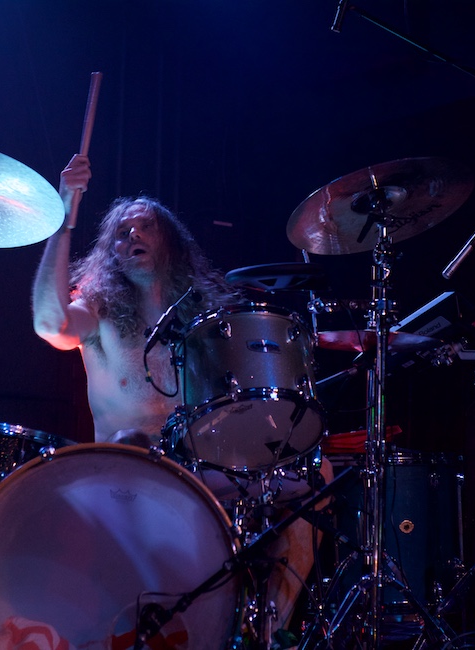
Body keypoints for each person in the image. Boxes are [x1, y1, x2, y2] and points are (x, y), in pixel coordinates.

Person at [32, 154, 331, 647]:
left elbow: (239, 405)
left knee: (312, 474)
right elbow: (50, 325)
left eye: (144, 228)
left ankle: (266, 629)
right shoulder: (97, 305)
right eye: (122, 234)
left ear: (170, 241)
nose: (132, 238)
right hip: (125, 467)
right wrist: (65, 216)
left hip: (196, 467)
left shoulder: (205, 317)